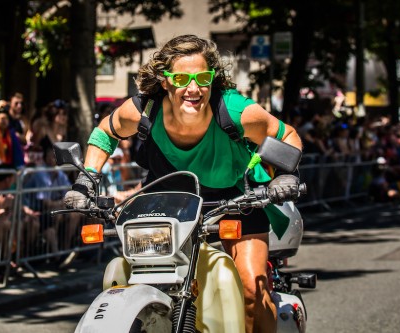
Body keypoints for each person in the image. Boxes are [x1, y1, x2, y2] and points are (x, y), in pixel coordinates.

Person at [64, 35, 302, 333]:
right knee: (147, 276)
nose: (193, 88)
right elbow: (104, 133)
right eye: (181, 78)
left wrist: (285, 174)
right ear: (165, 81)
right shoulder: (143, 111)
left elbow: (287, 134)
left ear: (211, 79)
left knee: (251, 289)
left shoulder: (235, 110)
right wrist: (87, 178)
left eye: (202, 78)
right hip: (169, 199)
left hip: (236, 198)